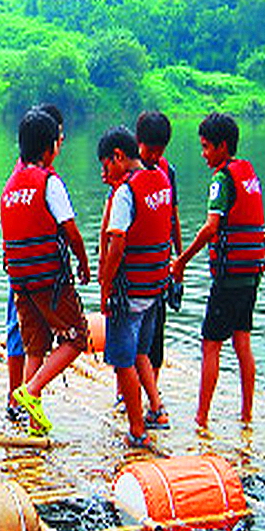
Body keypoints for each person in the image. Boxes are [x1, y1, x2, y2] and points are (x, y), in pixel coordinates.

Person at [171, 113, 265, 429]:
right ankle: (247, 414)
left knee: (211, 343)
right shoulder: (249, 173)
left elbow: (212, 227)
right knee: (242, 341)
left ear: (222, 146)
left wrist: (182, 260)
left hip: (228, 275)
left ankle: (201, 418)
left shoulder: (222, 179)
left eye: (207, 147)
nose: (203, 154)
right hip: (251, 273)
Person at [2, 107, 92, 436]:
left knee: (35, 347)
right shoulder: (49, 183)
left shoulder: (11, 186)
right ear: (49, 148)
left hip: (20, 283)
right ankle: (31, 389)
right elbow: (70, 230)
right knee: (77, 337)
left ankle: (34, 422)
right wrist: (83, 262)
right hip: (49, 281)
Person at [97, 126, 173, 448]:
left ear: (118, 157)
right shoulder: (161, 181)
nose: (105, 173)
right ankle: (157, 409)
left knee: (122, 361)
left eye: (105, 165)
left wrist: (105, 285)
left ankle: (137, 429)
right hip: (155, 287)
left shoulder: (126, 192)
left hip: (130, 292)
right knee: (142, 351)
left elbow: (116, 243)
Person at [5, 103, 64, 422]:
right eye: (58, 135)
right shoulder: (32, 175)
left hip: (25, 267)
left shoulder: (38, 174)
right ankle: (18, 397)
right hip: (28, 271)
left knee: (32, 338)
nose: (62, 140)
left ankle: (26, 396)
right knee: (23, 334)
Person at [136, 111, 184, 402]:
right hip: (134, 271)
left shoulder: (168, 172)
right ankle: (125, 393)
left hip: (159, 268)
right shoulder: (127, 171)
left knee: (155, 337)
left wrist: (179, 259)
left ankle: (152, 389)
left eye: (159, 150)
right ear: (138, 142)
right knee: (130, 340)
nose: (154, 155)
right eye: (149, 149)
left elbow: (174, 216)